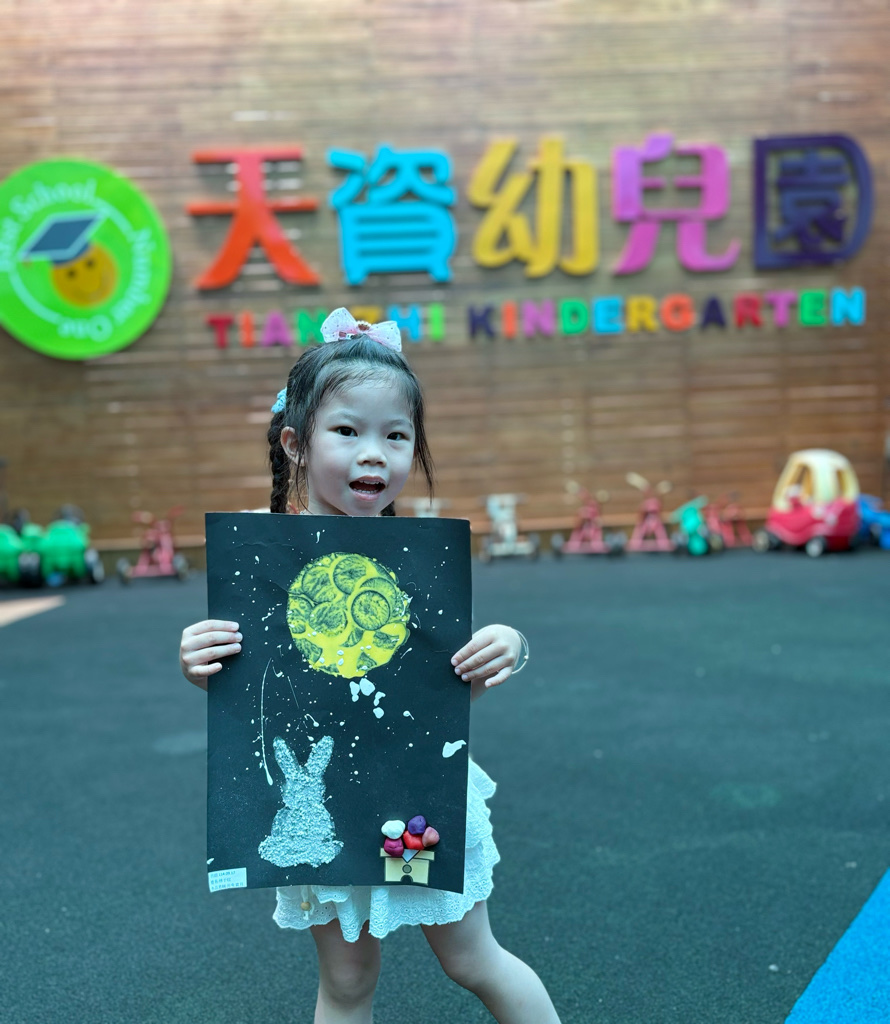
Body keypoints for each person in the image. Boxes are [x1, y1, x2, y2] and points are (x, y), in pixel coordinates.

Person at [179, 308, 561, 1024]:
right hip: (322, 810)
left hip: (416, 796)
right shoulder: (261, 566)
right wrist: (198, 661)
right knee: (348, 979)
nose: (373, 455)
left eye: (395, 435)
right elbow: (246, 688)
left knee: (472, 959)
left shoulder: (418, 566)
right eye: (347, 431)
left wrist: (507, 644)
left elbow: (442, 691)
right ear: (295, 443)